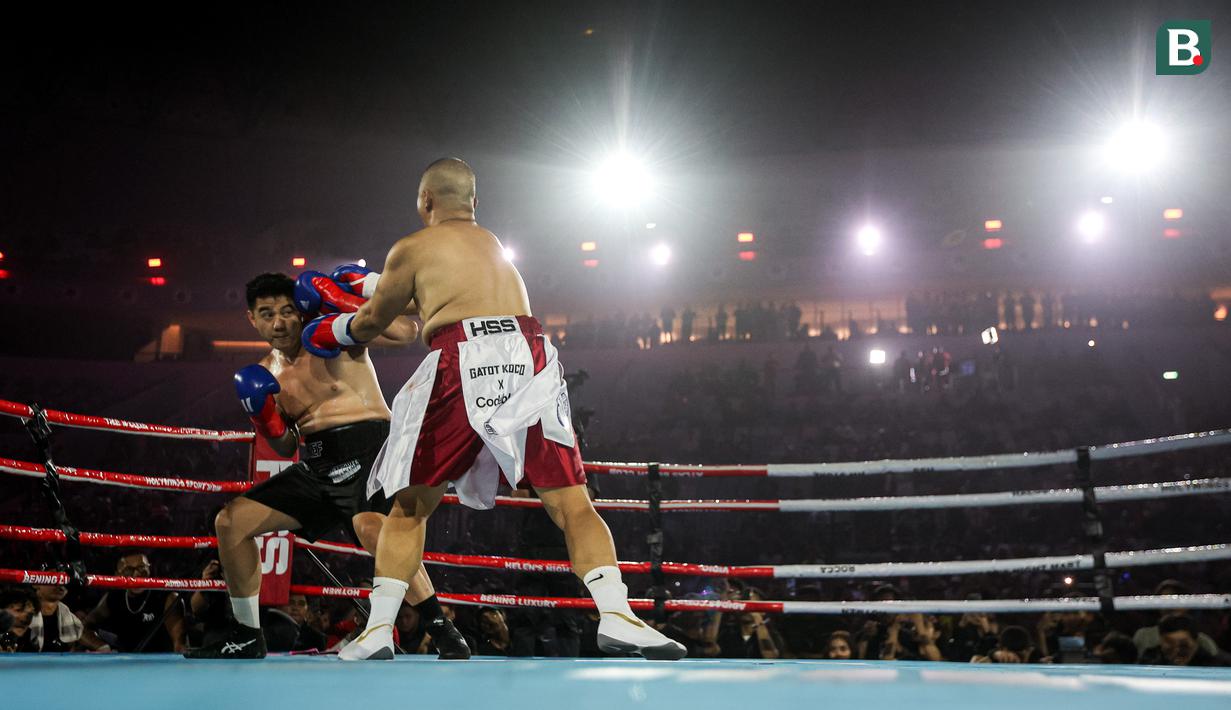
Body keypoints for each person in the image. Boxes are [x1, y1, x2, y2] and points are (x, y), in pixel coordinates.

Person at [308, 157, 685, 661]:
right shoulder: (493, 248)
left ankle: (377, 631)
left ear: (426, 202)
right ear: (473, 203)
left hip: (463, 357)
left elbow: (379, 320)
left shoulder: (414, 246)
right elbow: (443, 297)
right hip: (529, 356)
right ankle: (618, 615)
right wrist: (377, 281)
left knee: (410, 504)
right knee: (572, 502)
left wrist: (332, 329)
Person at [184, 272, 469, 659]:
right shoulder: (264, 372)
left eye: (287, 310)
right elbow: (286, 446)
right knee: (231, 523)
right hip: (317, 464)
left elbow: (406, 329)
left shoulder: (331, 334)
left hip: (370, 447)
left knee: (375, 531)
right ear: (252, 319)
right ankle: (248, 634)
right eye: (267, 314)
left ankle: (443, 630)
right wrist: (262, 415)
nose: (279, 322)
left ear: (300, 309)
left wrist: (347, 300)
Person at [82, 551, 187, 653]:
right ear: (118, 575)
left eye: (142, 568)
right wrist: (102, 647)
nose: (137, 574)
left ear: (149, 569)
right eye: (129, 569)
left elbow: (179, 645)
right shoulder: (114, 597)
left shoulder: (167, 598)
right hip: (124, 663)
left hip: (160, 663)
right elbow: (83, 626)